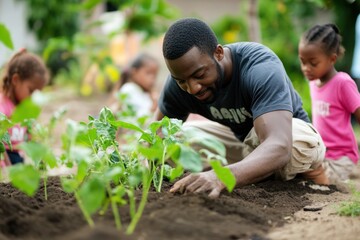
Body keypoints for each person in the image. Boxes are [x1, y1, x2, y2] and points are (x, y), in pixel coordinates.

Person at [155, 17, 327, 198]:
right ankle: (252, 173)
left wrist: (220, 176)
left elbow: (280, 145)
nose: (193, 88)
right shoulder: (179, 84)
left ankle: (315, 176)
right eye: (182, 81)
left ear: (219, 53)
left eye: (199, 74)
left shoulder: (260, 67)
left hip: (282, 141)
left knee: (297, 140)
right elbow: (156, 135)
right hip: (242, 146)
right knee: (175, 140)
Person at [298, 24, 360, 184]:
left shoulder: (342, 83)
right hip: (321, 152)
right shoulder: (313, 82)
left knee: (317, 177)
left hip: (342, 156)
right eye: (303, 62)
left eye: (313, 63)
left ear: (332, 59)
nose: (306, 68)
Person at [0, 49, 48, 166]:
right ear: (15, 80)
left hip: (18, 158)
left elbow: (30, 137)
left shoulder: (26, 108)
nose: (33, 98)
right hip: (4, 159)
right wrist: (7, 168)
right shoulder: (3, 106)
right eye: (31, 91)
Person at [109, 53, 159, 119]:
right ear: (134, 72)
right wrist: (153, 108)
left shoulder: (144, 92)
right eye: (148, 73)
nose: (152, 78)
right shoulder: (128, 90)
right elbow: (136, 119)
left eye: (155, 75)